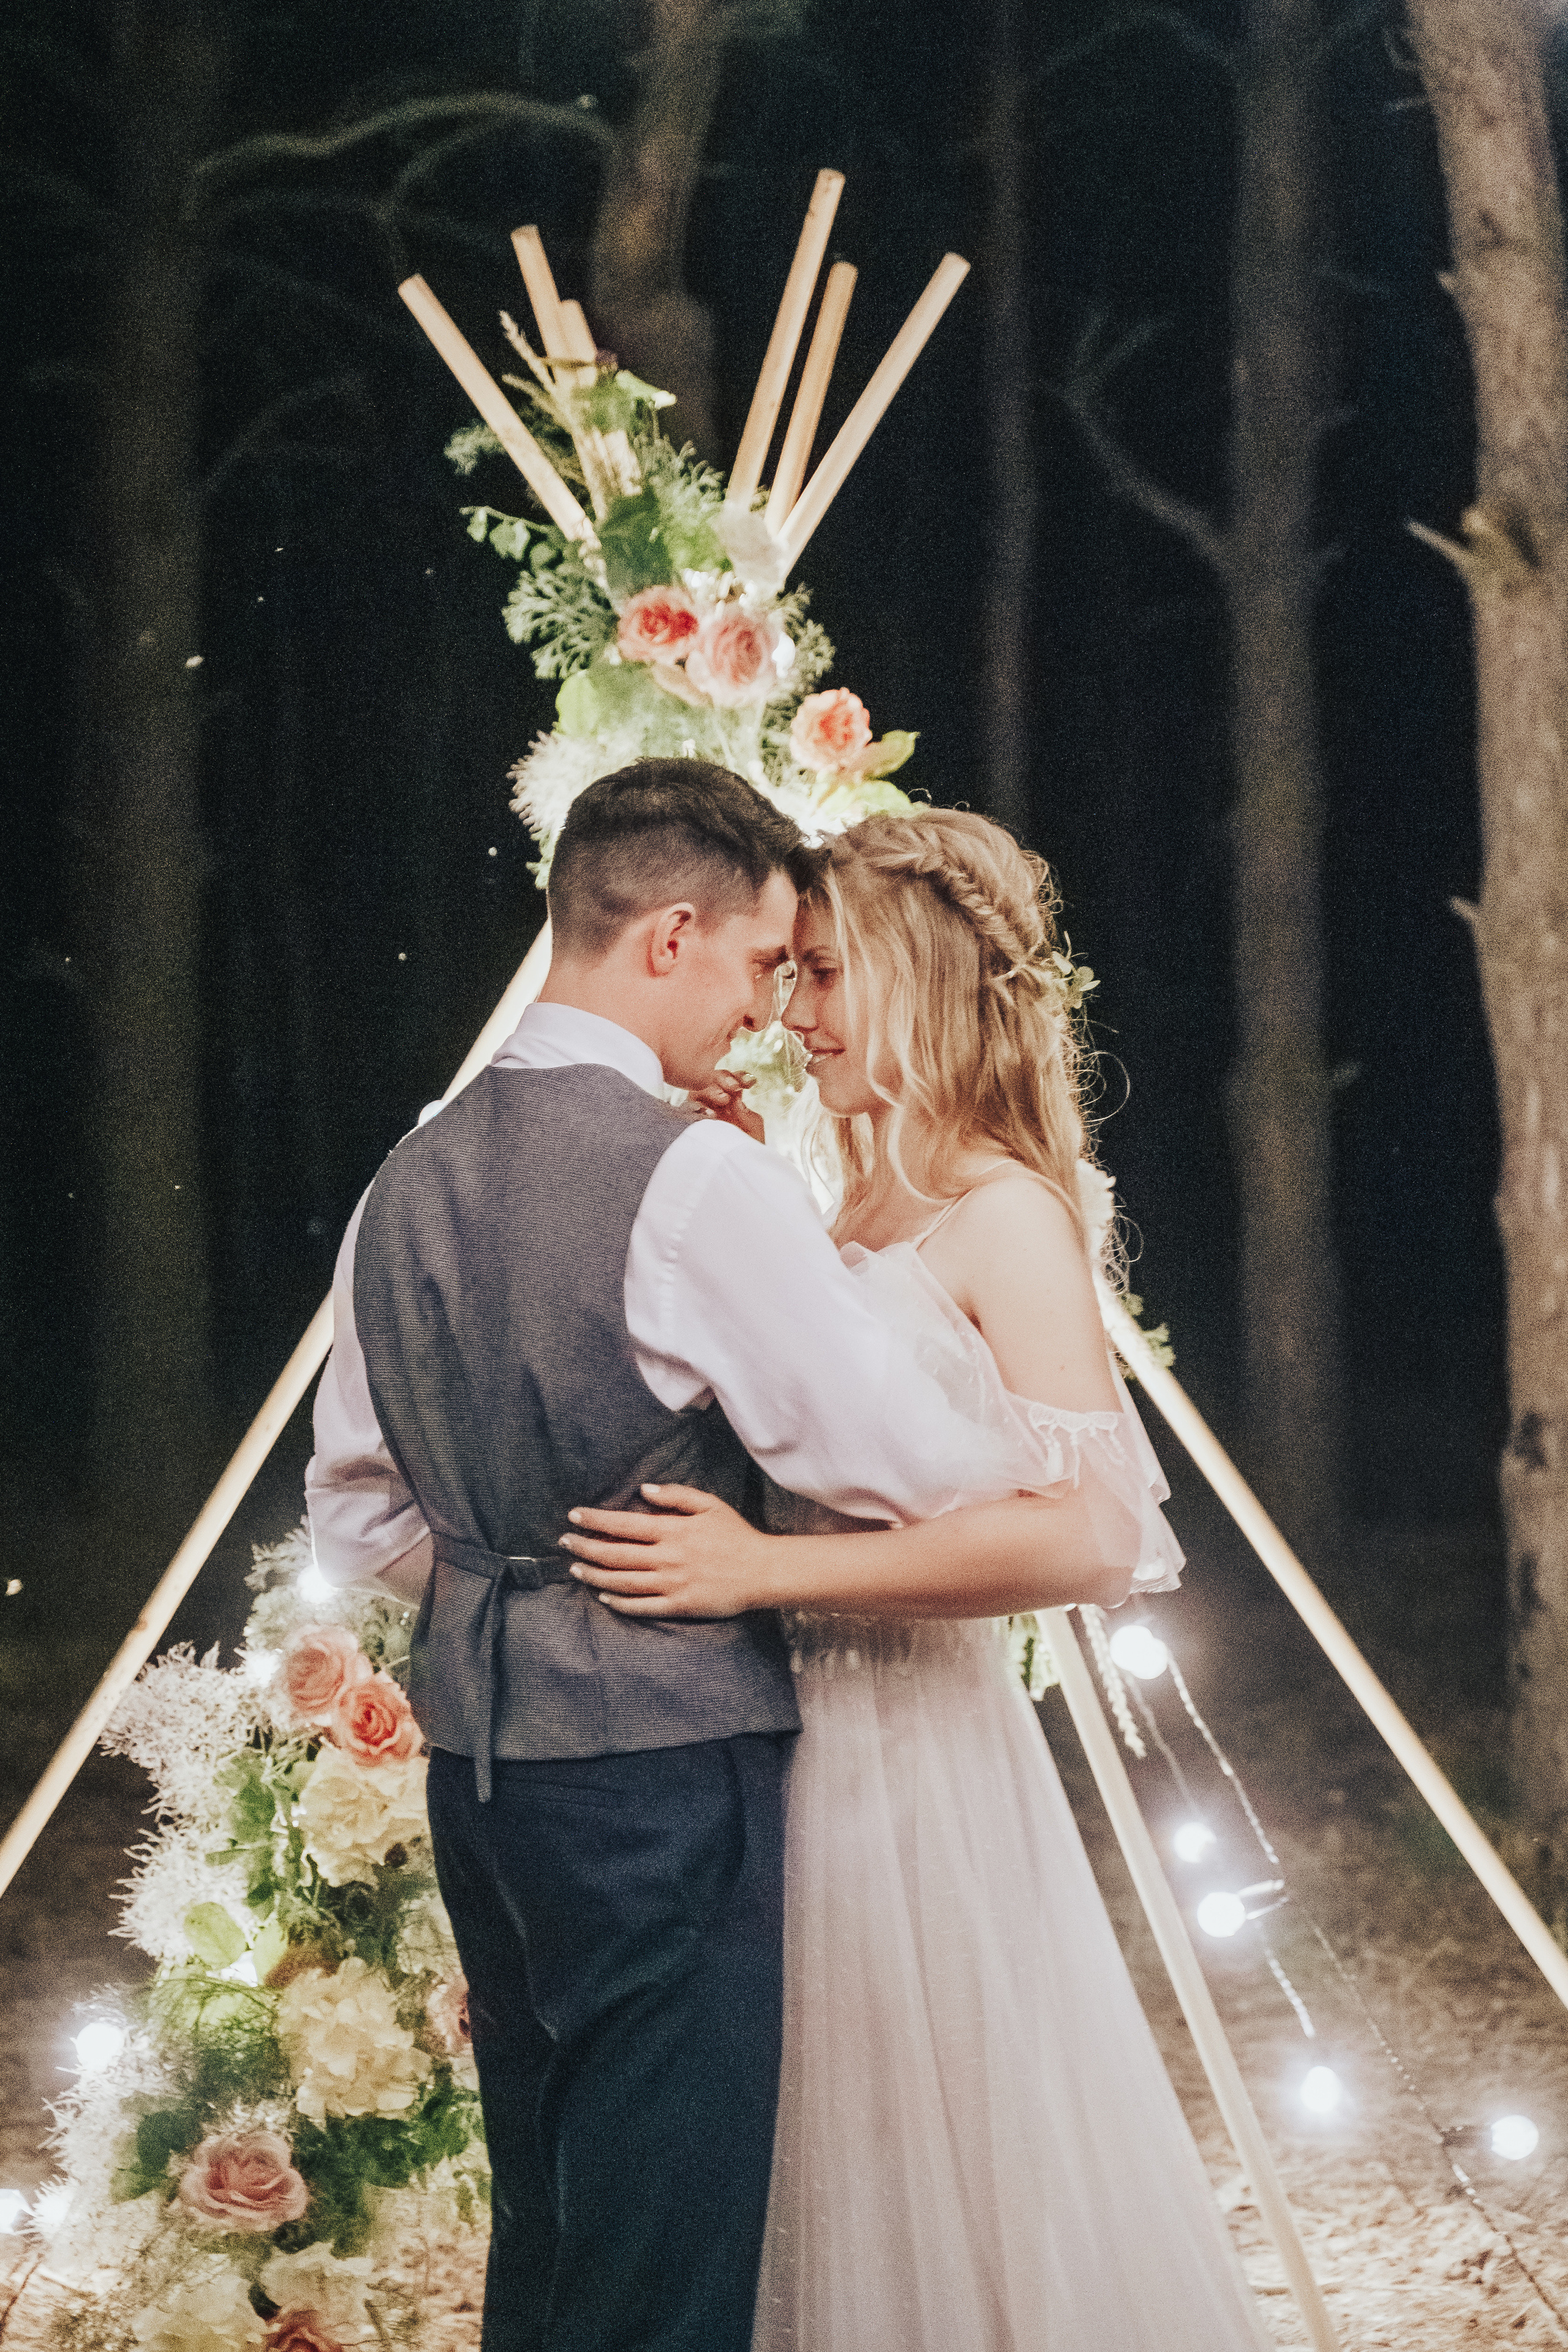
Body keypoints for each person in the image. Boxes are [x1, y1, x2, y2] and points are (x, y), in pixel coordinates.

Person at [304, 764, 1138, 2352]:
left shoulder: (407, 1168)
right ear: (673, 935)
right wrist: (730, 1556)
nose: (772, 1010)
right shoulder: (695, 1176)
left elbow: (360, 1517)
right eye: (769, 964)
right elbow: (911, 1466)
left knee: (549, 2231)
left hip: (486, 1775)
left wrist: (522, 1584)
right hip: (666, 1769)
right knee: (670, 2262)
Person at [562, 809, 1271, 2352]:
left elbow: (1085, 1537)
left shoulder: (1003, 1214)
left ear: (926, 980)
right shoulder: (837, 1207)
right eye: (788, 974)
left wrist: (761, 1573)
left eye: (825, 975)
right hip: (784, 1741)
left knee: (930, 2146)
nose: (795, 1016)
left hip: (916, 1757)